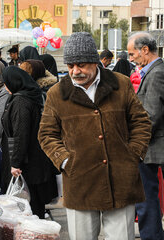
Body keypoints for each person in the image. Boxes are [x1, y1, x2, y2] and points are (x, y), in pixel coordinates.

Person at [38, 32, 152, 239]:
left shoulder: (121, 84)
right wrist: (65, 161)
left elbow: (141, 122)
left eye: (81, 65)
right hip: (79, 182)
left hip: (120, 181)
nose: (75, 71)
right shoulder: (57, 94)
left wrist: (133, 155)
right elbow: (47, 134)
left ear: (95, 62)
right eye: (71, 66)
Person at [1, 66, 58, 219]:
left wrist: (16, 163)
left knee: (31, 206)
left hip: (28, 162)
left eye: (6, 83)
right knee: (33, 204)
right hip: (33, 158)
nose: (5, 87)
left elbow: (21, 134)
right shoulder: (27, 96)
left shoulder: (21, 102)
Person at [128, 32, 164, 240]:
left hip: (151, 148)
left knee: (146, 199)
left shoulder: (157, 73)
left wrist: (136, 142)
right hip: (152, 146)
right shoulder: (153, 71)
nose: (131, 58)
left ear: (145, 50)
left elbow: (152, 114)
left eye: (133, 54)